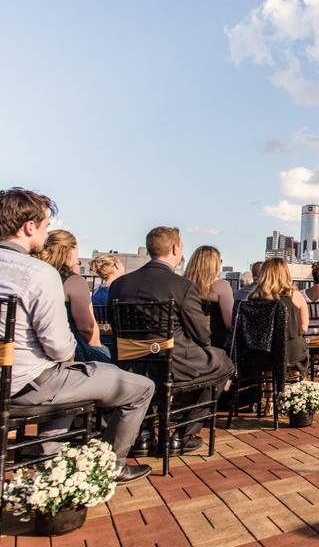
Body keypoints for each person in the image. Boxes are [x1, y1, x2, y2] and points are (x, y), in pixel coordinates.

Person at [0, 188, 154, 483]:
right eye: (45, 226)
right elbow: (59, 348)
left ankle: (49, 455)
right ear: (28, 227)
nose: (46, 234)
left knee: (66, 376)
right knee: (140, 387)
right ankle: (111, 464)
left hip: (20, 380)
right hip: (25, 386)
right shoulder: (37, 273)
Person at [109, 227, 234, 454]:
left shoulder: (119, 284)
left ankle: (145, 435)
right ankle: (182, 434)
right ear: (175, 248)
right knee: (224, 363)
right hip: (171, 362)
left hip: (129, 364)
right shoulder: (182, 286)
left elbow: (116, 327)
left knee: (152, 375)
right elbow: (202, 336)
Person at [37, 229, 110, 363]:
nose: (78, 256)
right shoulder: (74, 281)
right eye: (77, 250)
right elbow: (86, 328)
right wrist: (99, 348)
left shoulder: (36, 275)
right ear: (68, 251)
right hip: (70, 352)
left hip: (37, 351)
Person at [246, 258, 310, 378]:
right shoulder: (295, 296)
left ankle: (267, 391)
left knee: (267, 358)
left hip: (262, 353)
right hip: (290, 352)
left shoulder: (254, 297)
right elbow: (304, 327)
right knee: (298, 348)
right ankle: (293, 385)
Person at [184, 246, 235, 350]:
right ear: (214, 265)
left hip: (186, 345)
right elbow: (229, 323)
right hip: (213, 346)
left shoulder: (182, 284)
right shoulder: (222, 286)